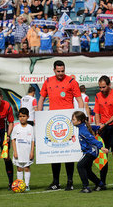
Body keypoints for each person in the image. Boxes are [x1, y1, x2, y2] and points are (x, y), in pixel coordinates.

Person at [37, 60, 83, 191]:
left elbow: (79, 100)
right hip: (53, 121)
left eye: (63, 71)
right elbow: (41, 99)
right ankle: (55, 182)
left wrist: (80, 117)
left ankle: (70, 181)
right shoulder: (48, 81)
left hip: (69, 121)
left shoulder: (71, 82)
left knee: (69, 151)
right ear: (53, 70)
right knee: (54, 152)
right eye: (58, 71)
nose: (61, 73)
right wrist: (39, 116)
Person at [94, 75, 113, 190]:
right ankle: (102, 183)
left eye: (103, 87)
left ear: (109, 85)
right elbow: (96, 112)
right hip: (103, 128)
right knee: (103, 155)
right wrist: (98, 125)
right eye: (100, 87)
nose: (101, 90)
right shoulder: (97, 96)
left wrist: (105, 124)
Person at [72, 111, 108, 193]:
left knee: (80, 166)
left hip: (90, 152)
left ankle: (86, 187)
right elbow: (92, 128)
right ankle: (100, 184)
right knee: (87, 170)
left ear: (79, 121)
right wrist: (97, 127)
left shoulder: (83, 130)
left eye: (73, 119)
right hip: (90, 151)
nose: (72, 121)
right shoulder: (83, 127)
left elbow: (91, 139)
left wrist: (101, 147)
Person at [11, 108, 34, 191]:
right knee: (19, 168)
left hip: (27, 151)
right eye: (20, 116)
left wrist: (32, 152)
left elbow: (32, 140)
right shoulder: (16, 127)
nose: (22, 118)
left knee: (27, 167)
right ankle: (19, 184)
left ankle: (27, 185)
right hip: (19, 151)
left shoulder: (30, 127)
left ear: (28, 117)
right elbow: (13, 139)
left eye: (24, 116)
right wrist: (15, 151)